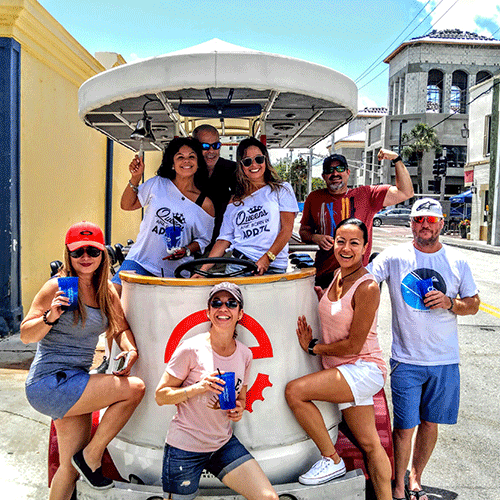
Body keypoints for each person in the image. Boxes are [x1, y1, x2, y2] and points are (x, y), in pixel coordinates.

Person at [21, 221, 145, 500]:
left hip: (76, 379)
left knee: (68, 469)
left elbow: (120, 328)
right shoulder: (56, 287)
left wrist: (130, 350)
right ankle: (91, 457)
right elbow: (26, 335)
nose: (86, 257)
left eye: (92, 250)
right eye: (78, 252)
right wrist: (50, 316)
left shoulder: (106, 291)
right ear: (69, 255)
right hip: (49, 382)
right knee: (135, 388)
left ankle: (83, 463)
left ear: (103, 254)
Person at [367, 198, 480, 500]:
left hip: (445, 360)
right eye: (419, 220)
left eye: (431, 220)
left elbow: (473, 305)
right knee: (404, 427)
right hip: (406, 360)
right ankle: (398, 485)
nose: (425, 225)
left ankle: (416, 478)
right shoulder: (393, 257)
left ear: (442, 223)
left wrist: (449, 303)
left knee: (430, 423)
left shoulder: (457, 262)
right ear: (411, 223)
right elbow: (364, 280)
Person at [285, 218, 392, 500]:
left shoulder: (367, 286)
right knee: (370, 445)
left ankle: (332, 460)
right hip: (344, 369)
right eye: (341, 241)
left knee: (295, 392)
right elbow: (333, 312)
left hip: (362, 367)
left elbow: (354, 345)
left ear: (365, 247)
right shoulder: (338, 275)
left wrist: (313, 347)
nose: (346, 248)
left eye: (354, 243)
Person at [155, 282, 278, 500]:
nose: (223, 308)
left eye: (231, 303)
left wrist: (238, 411)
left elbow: (241, 400)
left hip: (222, 444)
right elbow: (161, 395)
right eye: (217, 303)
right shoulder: (190, 348)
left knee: (268, 498)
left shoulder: (245, 354)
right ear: (208, 312)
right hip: (185, 447)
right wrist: (198, 388)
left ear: (240, 314)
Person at [112, 137, 215, 292]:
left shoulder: (205, 204)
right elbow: (127, 205)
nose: (186, 161)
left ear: (198, 162)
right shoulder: (157, 184)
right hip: (140, 261)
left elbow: (203, 240)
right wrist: (136, 178)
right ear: (172, 163)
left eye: (191, 157)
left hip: (175, 273)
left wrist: (186, 250)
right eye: (180, 157)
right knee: (114, 294)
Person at [299, 149, 414, 288]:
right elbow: (304, 232)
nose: (335, 173)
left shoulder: (367, 194)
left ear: (348, 172)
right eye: (330, 170)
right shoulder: (314, 198)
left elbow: (406, 192)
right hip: (324, 276)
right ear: (324, 176)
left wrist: (396, 159)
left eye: (340, 169)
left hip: (356, 277)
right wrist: (315, 238)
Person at [196, 137, 299, 276]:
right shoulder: (234, 200)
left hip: (273, 267)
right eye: (247, 161)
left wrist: (267, 258)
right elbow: (223, 240)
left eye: (259, 159)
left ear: (266, 160)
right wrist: (203, 270)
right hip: (238, 266)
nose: (254, 165)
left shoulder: (282, 189)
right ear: (241, 165)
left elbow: (287, 229)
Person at [192, 124, 237, 249]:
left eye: (216, 146)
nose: (211, 151)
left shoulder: (234, 170)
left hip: (224, 247)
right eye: (205, 146)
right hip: (190, 247)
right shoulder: (186, 172)